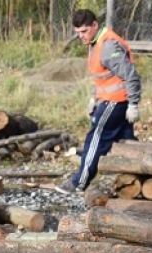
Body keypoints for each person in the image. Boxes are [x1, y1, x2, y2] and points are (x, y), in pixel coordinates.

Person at [56, 9, 141, 195]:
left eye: (84, 31)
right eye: (78, 33)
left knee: (94, 140)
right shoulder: (95, 42)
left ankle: (79, 183)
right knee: (129, 144)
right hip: (109, 100)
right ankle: (145, 179)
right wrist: (94, 98)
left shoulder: (108, 46)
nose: (81, 36)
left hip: (115, 102)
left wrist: (133, 104)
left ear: (95, 25)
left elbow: (131, 76)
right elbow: (102, 76)